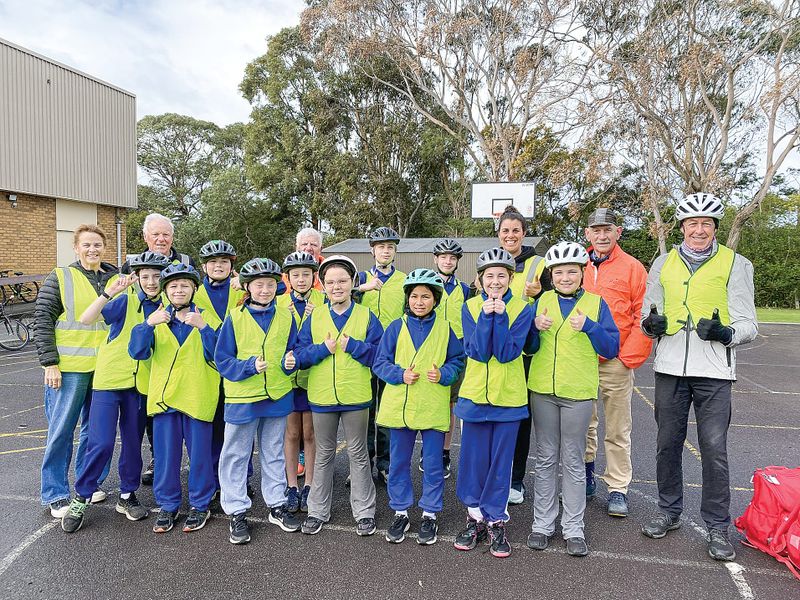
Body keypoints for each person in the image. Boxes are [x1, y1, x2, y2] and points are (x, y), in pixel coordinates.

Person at [640, 193, 758, 561]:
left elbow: (749, 323)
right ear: (682, 228)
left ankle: (717, 525)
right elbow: (648, 317)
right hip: (670, 368)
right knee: (666, 445)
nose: (699, 229)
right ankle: (669, 511)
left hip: (714, 372)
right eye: (693, 223)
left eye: (707, 223)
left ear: (715, 228)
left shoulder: (736, 264)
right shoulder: (662, 263)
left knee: (714, 450)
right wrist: (650, 326)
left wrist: (727, 334)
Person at [61, 251, 170, 532]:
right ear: (135, 278)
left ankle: (127, 494)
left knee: (133, 444)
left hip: (141, 384)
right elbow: (86, 319)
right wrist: (108, 294)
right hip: (109, 381)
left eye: (157, 276)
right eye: (144, 276)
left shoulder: (170, 305)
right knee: (101, 442)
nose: (151, 281)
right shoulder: (125, 301)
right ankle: (82, 496)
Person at [525, 242, 620, 557]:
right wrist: (534, 330)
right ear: (551, 275)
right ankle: (542, 525)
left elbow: (611, 348)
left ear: (582, 273)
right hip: (542, 391)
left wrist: (590, 327)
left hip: (577, 394)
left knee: (574, 460)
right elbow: (527, 348)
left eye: (572, 271)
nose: (565, 277)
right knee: (546, 458)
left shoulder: (595, 304)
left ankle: (574, 529)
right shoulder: (540, 302)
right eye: (560, 272)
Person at [374, 269, 465, 545]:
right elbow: (380, 363)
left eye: (426, 296)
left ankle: (429, 513)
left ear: (435, 299)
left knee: (433, 464)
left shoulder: (446, 328)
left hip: (432, 405)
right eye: (414, 296)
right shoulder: (395, 327)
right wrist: (398, 374)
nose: (419, 301)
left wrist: (445, 375)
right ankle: (400, 511)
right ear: (407, 299)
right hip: (400, 407)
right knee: (399, 462)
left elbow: (458, 361)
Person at [129, 263, 221, 534]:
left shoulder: (207, 318)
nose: (179, 290)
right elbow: (137, 352)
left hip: (196, 397)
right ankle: (168, 505)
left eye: (184, 285)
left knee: (201, 457)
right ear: (166, 290)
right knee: (166, 458)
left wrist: (204, 328)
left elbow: (220, 355)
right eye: (173, 286)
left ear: (194, 288)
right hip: (164, 400)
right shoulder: (157, 318)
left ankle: (200, 504)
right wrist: (147, 325)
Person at [35, 224, 119, 518]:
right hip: (69, 369)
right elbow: (42, 320)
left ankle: (88, 483)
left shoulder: (116, 278)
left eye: (97, 245)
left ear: (104, 247)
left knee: (94, 432)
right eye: (86, 245)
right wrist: (50, 363)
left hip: (105, 370)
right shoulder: (61, 277)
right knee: (61, 432)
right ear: (76, 247)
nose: (92, 250)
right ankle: (55, 493)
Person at [453, 248, 532, 558]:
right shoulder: (470, 306)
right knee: (473, 460)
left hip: (508, 398)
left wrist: (499, 318)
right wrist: (486, 316)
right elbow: (476, 351)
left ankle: (496, 519)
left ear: (510, 278)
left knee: (501, 463)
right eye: (490, 276)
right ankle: (475, 518)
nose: (495, 281)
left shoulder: (523, 309)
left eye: (502, 275)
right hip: (474, 396)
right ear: (480, 279)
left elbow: (507, 352)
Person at [295, 255, 383, 537]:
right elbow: (300, 355)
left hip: (356, 394)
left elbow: (380, 356)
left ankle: (365, 512)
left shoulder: (367, 316)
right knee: (322, 454)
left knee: (358, 453)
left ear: (353, 283)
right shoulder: (314, 317)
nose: (336, 286)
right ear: (323, 285)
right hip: (321, 397)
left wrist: (353, 346)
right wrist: (324, 348)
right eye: (330, 282)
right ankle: (317, 511)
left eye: (342, 281)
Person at [215, 258, 301, 545]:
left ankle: (276, 504)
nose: (264, 290)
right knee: (236, 455)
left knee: (274, 451)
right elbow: (222, 359)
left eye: (269, 285)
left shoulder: (287, 317)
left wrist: (291, 362)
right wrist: (249, 366)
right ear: (248, 287)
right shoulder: (235, 317)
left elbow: (293, 351)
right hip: (243, 398)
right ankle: (237, 510)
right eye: (258, 285)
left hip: (276, 395)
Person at [581, 209, 652, 517]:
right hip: (580, 359)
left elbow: (645, 315)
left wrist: (628, 358)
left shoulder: (633, 268)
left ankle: (617, 488)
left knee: (618, 428)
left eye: (607, 229)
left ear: (618, 231)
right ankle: (584, 478)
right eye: (596, 230)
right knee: (583, 425)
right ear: (587, 234)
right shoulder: (576, 264)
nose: (602, 235)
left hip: (615, 360)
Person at [121, 212, 195, 487]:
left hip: (177, 345)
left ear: (172, 237)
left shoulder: (186, 262)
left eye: (166, 234)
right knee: (154, 415)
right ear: (145, 237)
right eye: (156, 234)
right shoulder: (130, 266)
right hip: (144, 350)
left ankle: (184, 462)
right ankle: (156, 460)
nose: (161, 239)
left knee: (185, 410)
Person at [494, 205, 550, 505]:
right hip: (495, 352)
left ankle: (516, 480)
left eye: (516, 230)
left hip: (526, 350)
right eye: (506, 231)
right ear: (498, 234)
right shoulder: (490, 263)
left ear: (524, 234)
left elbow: (555, 300)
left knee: (521, 417)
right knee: (497, 416)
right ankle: (496, 476)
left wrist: (540, 293)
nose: (511, 235)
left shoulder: (539, 264)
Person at [193, 240, 245, 495]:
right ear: (204, 266)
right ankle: (214, 481)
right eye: (213, 262)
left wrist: (244, 280)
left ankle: (242, 480)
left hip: (237, 370)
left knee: (238, 431)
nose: (218, 266)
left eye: (224, 262)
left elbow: (277, 286)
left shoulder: (242, 289)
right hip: (208, 371)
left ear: (231, 265)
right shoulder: (194, 293)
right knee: (213, 431)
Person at [356, 227, 406, 483]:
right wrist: (363, 288)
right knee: (365, 411)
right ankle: (362, 465)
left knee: (386, 412)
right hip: (364, 355)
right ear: (372, 250)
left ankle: (385, 464)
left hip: (393, 356)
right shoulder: (360, 278)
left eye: (390, 247)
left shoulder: (404, 280)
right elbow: (340, 302)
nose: (385, 251)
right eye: (381, 246)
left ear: (395, 250)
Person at [277, 251, 325, 513]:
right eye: (296, 274)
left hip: (311, 376)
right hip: (287, 378)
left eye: (306, 274)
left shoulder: (322, 300)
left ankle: (310, 485)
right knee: (291, 432)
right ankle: (291, 485)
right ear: (288, 278)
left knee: (310, 432)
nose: (301, 279)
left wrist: (314, 315)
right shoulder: (278, 302)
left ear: (314, 277)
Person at [429, 238, 472, 478]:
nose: (447, 261)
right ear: (435, 259)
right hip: (431, 351)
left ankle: (444, 451)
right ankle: (428, 448)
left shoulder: (465, 289)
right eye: (443, 257)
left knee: (450, 404)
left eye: (452, 258)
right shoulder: (427, 285)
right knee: (429, 400)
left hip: (456, 354)